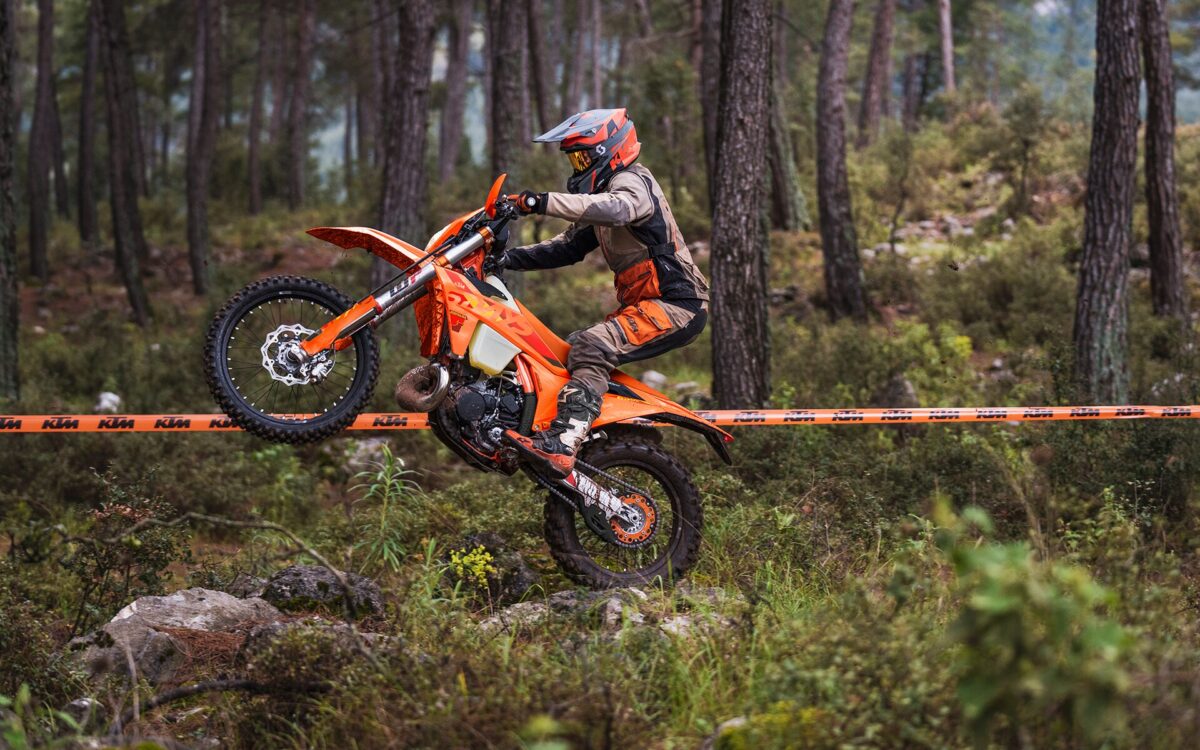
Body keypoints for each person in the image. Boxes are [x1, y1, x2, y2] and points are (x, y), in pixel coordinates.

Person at [490, 108, 710, 477]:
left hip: (677, 304)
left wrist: (540, 202)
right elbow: (566, 248)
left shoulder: (632, 183)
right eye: (574, 159)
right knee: (567, 351)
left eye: (583, 158)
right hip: (650, 305)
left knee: (592, 346)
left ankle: (564, 442)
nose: (578, 166)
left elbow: (619, 209)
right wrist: (505, 259)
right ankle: (573, 435)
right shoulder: (604, 197)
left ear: (610, 150)